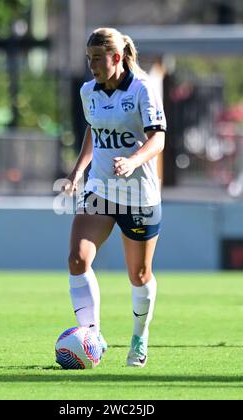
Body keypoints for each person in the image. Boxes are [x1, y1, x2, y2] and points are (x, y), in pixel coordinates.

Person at [63, 27, 166, 367]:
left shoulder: (142, 89)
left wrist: (134, 160)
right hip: (102, 189)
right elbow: (95, 129)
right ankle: (91, 336)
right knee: (78, 259)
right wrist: (79, 171)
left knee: (138, 275)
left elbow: (158, 139)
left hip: (139, 193)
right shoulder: (87, 91)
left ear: (117, 57)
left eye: (97, 59)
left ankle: (139, 336)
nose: (91, 65)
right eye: (88, 58)